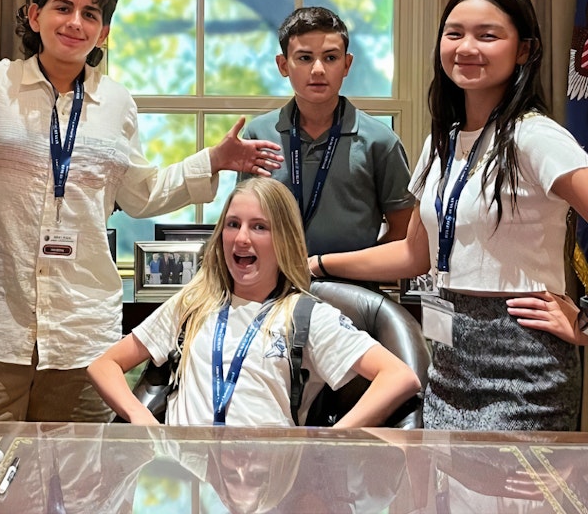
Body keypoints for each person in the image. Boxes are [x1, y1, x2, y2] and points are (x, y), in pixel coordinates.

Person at [0, 0, 282, 423]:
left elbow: (141, 193)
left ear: (104, 32)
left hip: (83, 335)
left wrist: (214, 160)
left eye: (90, 14)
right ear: (35, 16)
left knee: (82, 487)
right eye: (63, 7)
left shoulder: (117, 103)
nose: (75, 22)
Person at [313, 0, 588, 431]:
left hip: (524, 368)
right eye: (454, 33)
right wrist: (316, 264)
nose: (466, 47)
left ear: (524, 50)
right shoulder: (441, 142)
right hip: (447, 366)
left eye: (488, 35)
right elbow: (413, 254)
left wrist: (585, 322)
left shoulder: (535, 136)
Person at [87, 176, 421, 427]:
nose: (242, 238)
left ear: (283, 241)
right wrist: (139, 416)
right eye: (233, 225)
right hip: (187, 477)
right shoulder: (193, 303)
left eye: (259, 227)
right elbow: (103, 365)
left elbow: (399, 377)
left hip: (268, 478)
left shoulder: (304, 315)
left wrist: (335, 438)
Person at [240, 7, 414, 286]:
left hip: (354, 297)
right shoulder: (258, 134)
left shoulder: (380, 142)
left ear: (346, 65)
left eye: (330, 58)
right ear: (283, 65)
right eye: (305, 58)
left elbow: (404, 232)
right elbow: (246, 222)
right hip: (272, 292)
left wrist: (355, 266)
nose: (318, 69)